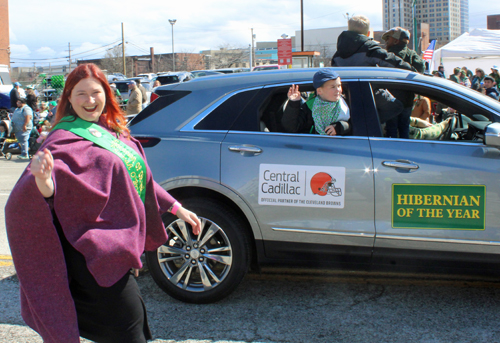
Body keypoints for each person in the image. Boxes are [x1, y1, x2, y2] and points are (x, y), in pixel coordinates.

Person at [5, 63, 202, 342]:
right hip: (89, 255)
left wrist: (175, 206)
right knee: (129, 330)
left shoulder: (114, 133)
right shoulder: (61, 140)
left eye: (95, 92)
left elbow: (139, 180)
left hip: (117, 249)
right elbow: (42, 196)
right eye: (81, 93)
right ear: (69, 99)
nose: (90, 100)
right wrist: (44, 181)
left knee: (130, 327)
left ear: (106, 95)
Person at [382, 27, 425, 138]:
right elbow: (421, 67)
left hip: (390, 100)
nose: (386, 41)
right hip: (407, 100)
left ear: (396, 41)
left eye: (388, 39)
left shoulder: (388, 55)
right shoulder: (411, 54)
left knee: (391, 130)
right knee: (404, 128)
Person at [281, 69, 350, 136]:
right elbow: (291, 128)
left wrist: (340, 127)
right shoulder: (310, 107)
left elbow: (357, 124)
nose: (338, 90)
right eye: (333, 87)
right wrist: (294, 103)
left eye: (339, 86)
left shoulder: (346, 103)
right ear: (319, 91)